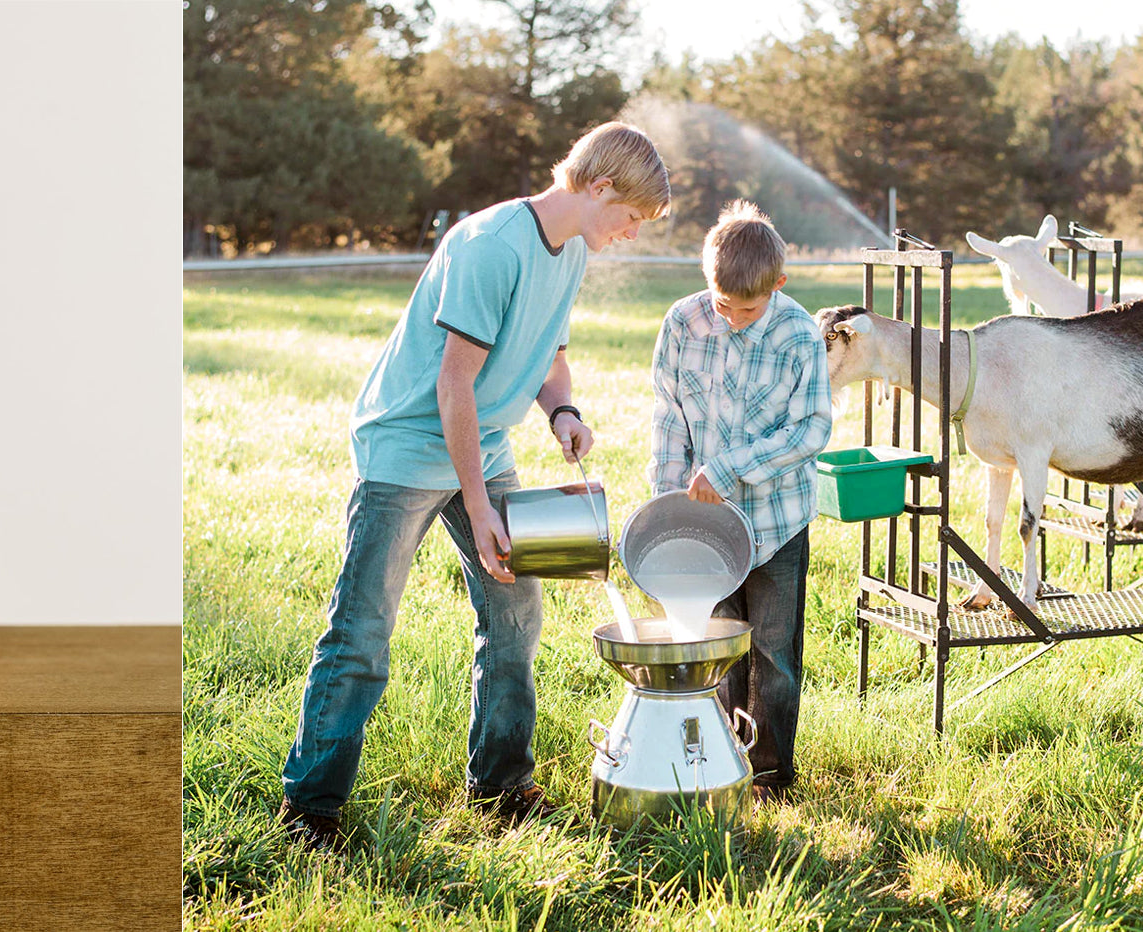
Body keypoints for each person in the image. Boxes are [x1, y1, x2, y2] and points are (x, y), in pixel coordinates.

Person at [277, 122, 672, 850]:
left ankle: (500, 787)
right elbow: (451, 382)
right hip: (406, 446)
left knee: (516, 613)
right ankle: (310, 808)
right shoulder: (492, 245)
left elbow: (551, 355)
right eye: (631, 219)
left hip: (480, 443)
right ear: (600, 187)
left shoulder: (574, 251)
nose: (629, 234)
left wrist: (563, 409)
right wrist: (482, 506)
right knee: (363, 630)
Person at [647, 200, 833, 802]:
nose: (730, 317)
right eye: (721, 303)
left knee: (774, 654)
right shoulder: (682, 322)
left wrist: (727, 469)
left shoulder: (800, 332)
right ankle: (721, 765)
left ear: (779, 284)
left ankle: (773, 775)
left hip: (776, 522)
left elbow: (809, 430)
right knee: (715, 647)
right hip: (704, 525)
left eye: (746, 308)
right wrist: (669, 504)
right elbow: (670, 416)